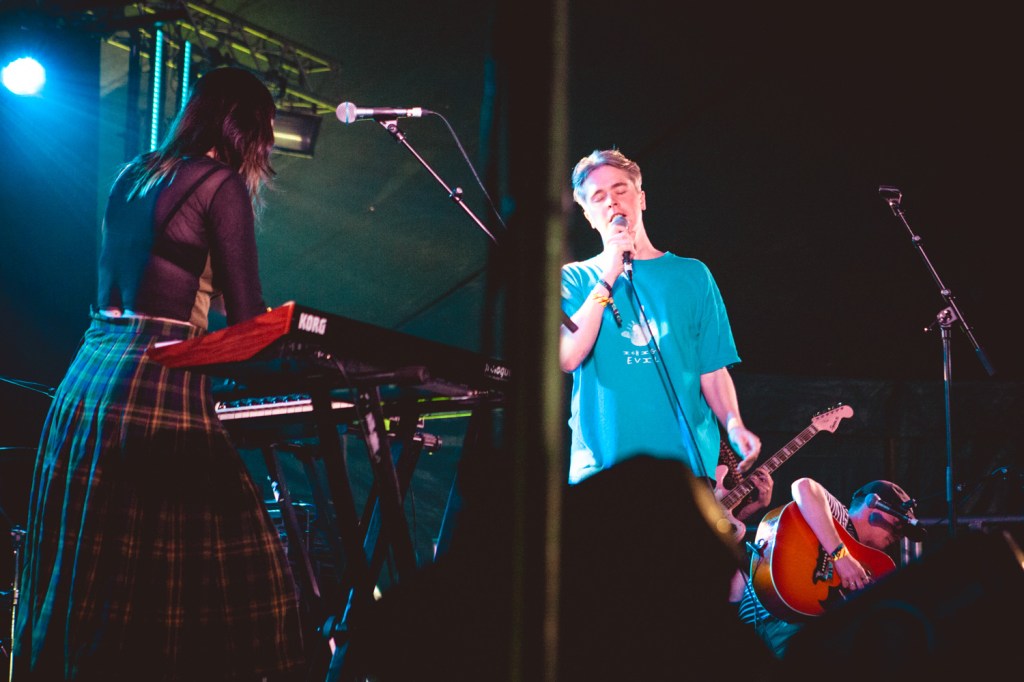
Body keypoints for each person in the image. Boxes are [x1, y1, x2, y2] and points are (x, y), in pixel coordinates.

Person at [13, 67, 306, 681]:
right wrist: (302, 343)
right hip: (158, 382)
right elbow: (247, 319)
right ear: (244, 128)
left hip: (89, 379)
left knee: (97, 571)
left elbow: (159, 278)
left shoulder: (135, 174)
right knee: (237, 567)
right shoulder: (220, 184)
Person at [560, 148, 762, 487]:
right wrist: (608, 275)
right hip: (602, 469)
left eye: (620, 190)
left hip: (684, 468)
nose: (611, 202)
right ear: (588, 215)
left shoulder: (692, 275)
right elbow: (568, 356)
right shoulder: (575, 278)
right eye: (598, 196)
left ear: (641, 199)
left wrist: (734, 424)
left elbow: (712, 369)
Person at [737, 477, 922, 658]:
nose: (899, 534)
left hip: (803, 632)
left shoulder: (876, 564)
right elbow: (803, 486)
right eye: (898, 523)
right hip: (771, 619)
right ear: (873, 504)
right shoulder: (839, 518)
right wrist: (841, 556)